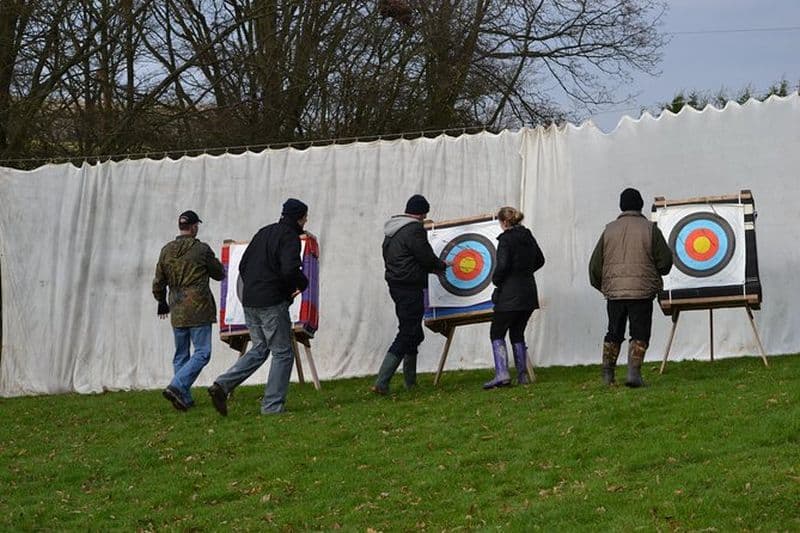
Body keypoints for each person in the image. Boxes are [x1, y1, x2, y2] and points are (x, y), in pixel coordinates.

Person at [207, 199, 309, 415]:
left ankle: (222, 385)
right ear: (299, 218)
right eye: (305, 217)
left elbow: (243, 266)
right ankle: (272, 406)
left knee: (260, 349)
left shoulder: (263, 233)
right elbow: (290, 269)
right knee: (282, 352)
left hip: (250, 300)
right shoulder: (290, 237)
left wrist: (254, 287)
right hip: (271, 301)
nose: (306, 221)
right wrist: (300, 284)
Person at [589, 188, 673, 387]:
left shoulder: (609, 230)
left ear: (621, 206)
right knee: (640, 332)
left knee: (614, 331)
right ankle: (633, 374)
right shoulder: (650, 229)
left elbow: (594, 266)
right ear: (640, 205)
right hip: (642, 291)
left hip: (615, 293)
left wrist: (605, 287)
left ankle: (608, 374)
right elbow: (665, 262)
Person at [372, 194, 448, 394]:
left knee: (414, 331)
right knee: (407, 332)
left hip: (396, 285)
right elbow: (424, 255)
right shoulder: (414, 229)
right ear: (422, 213)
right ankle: (382, 381)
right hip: (410, 286)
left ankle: (410, 383)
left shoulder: (392, 230)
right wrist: (441, 266)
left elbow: (396, 256)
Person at [153, 210, 225, 411]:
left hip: (176, 307)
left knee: (181, 354)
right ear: (193, 227)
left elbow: (158, 281)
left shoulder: (166, 250)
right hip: (198, 307)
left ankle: (183, 398)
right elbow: (219, 273)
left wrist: (161, 301)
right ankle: (177, 385)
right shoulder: (201, 249)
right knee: (203, 352)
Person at [483, 207, 546, 389]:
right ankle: (522, 376)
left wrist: (497, 280)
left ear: (504, 222)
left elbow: (502, 266)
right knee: (517, 333)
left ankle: (502, 374)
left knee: (497, 332)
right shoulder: (528, 236)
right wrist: (524, 271)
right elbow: (540, 260)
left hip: (510, 296)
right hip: (528, 293)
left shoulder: (505, 239)